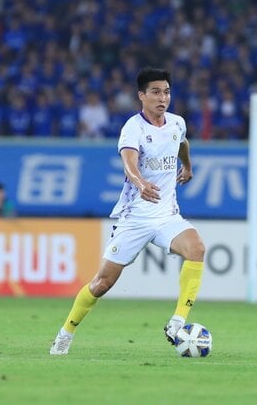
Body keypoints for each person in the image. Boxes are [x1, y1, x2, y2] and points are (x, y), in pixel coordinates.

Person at [49, 66, 206, 355]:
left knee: (196, 248)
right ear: (142, 96)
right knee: (101, 284)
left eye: (167, 92)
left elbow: (182, 143)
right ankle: (65, 332)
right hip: (135, 217)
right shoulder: (133, 127)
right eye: (156, 92)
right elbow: (129, 163)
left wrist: (188, 166)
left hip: (167, 214)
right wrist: (140, 181)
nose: (163, 98)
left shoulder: (177, 123)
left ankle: (177, 322)